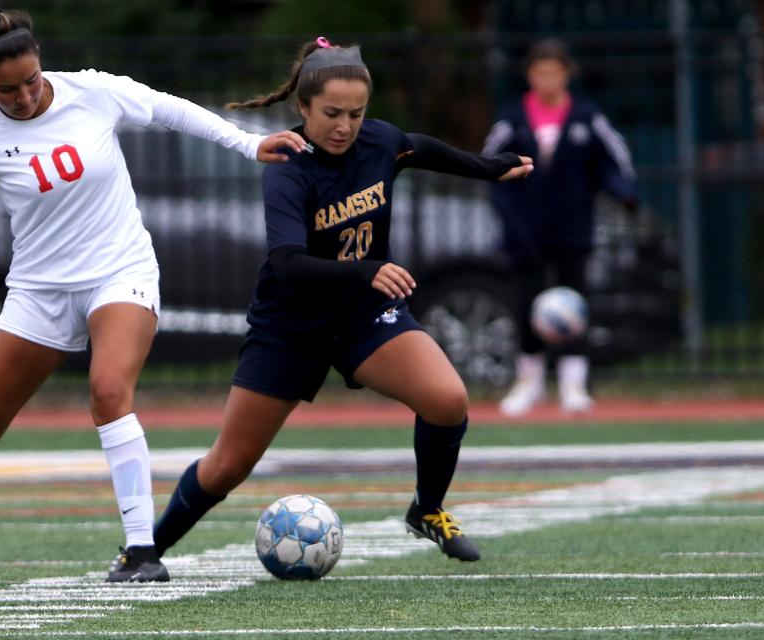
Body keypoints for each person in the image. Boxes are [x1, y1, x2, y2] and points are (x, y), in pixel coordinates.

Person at [0, 1, 307, 585]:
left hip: (119, 272)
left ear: (40, 60)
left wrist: (248, 145)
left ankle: (142, 551)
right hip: (38, 292)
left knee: (107, 391)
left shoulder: (93, 91)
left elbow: (170, 110)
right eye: (6, 91)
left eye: (29, 81)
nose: (23, 97)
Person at [146, 37, 533, 580]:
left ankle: (426, 509)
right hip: (291, 328)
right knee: (227, 466)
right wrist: (366, 268)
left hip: (362, 317)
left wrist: (491, 168)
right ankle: (143, 551)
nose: (345, 126)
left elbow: (422, 149)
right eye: (331, 113)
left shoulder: (381, 143)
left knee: (447, 400)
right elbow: (286, 263)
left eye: (356, 113)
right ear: (302, 108)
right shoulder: (288, 165)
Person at [483, 38, 637, 416]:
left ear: (568, 74)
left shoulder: (586, 118)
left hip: (573, 229)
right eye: (540, 72)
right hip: (524, 233)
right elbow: (490, 170)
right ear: (530, 75)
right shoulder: (513, 120)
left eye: (555, 72)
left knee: (575, 304)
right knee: (526, 304)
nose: (548, 80)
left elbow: (613, 164)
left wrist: (624, 192)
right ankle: (529, 382)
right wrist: (508, 218)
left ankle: (574, 385)